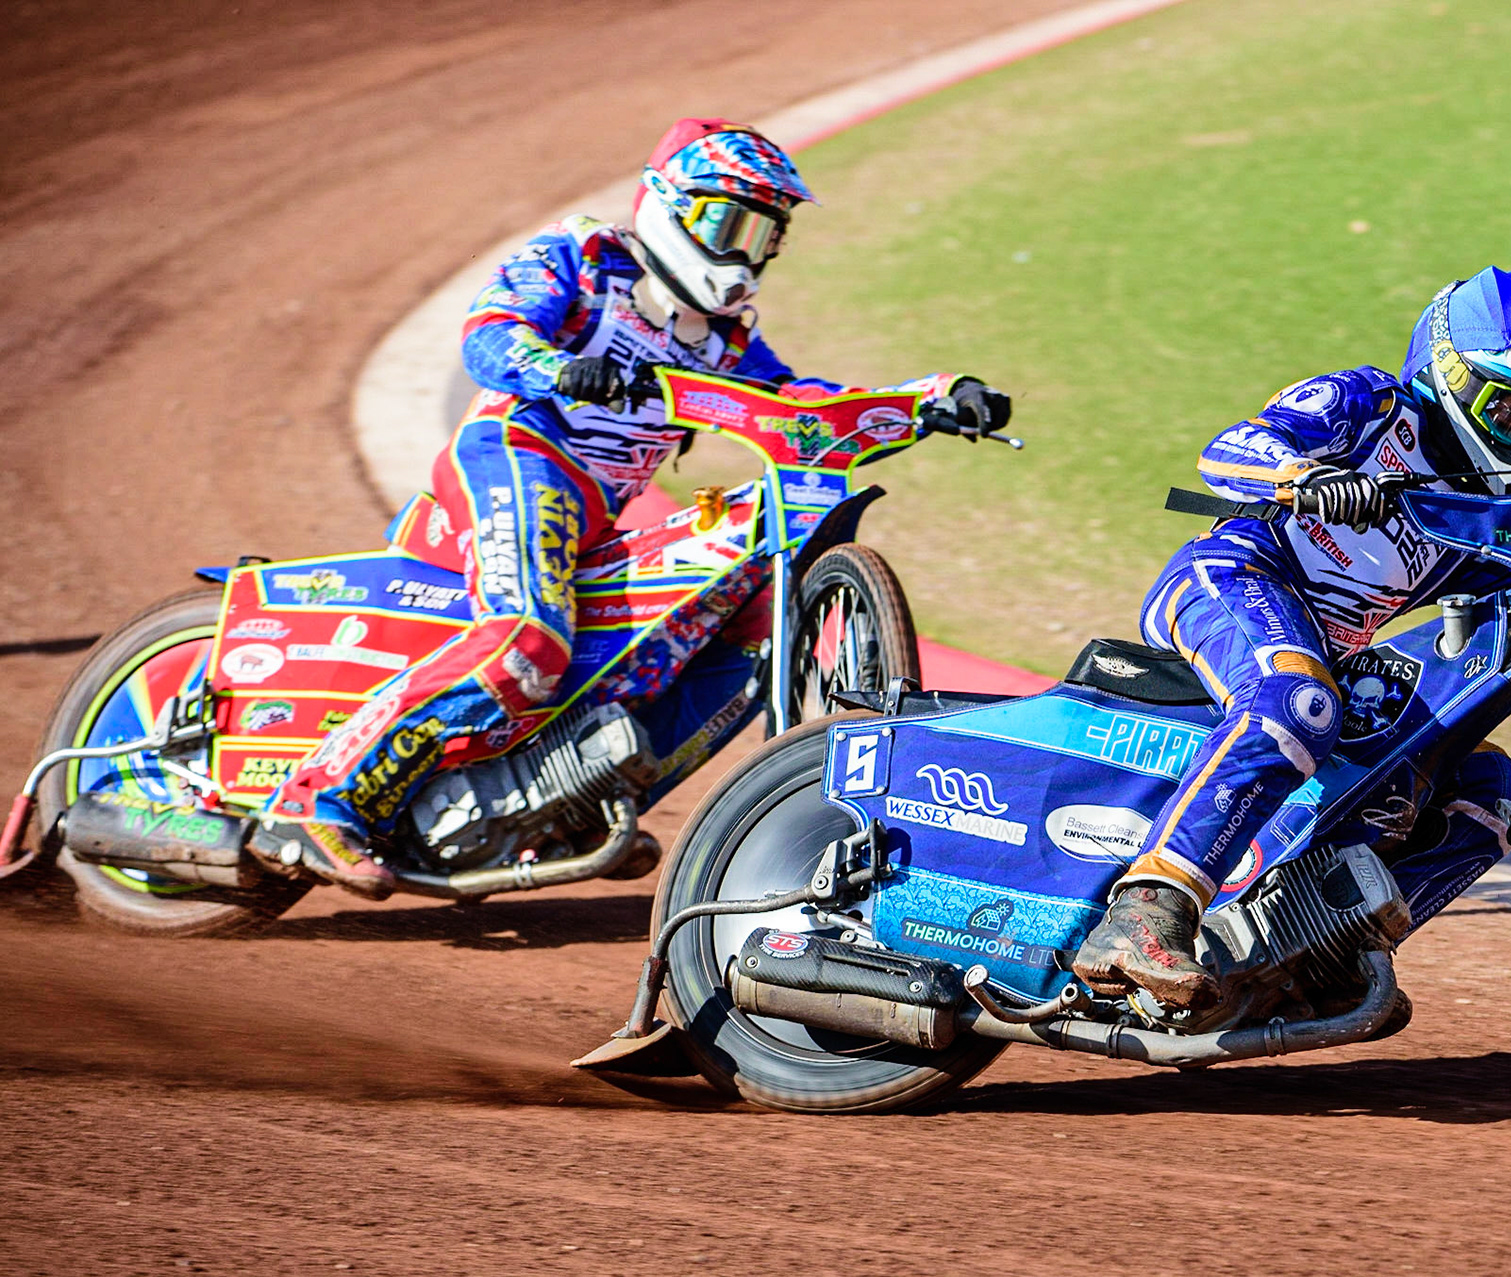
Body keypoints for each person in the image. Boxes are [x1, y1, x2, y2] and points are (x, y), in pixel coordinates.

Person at [252, 117, 1011, 896]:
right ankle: (320, 795)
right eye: (731, 225)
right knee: (528, 641)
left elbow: (802, 408)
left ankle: (569, 799)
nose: (747, 253)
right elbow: (490, 333)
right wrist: (555, 368)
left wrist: (930, 400)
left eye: (765, 235)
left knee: (733, 642)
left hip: (596, 515)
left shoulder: (724, 341)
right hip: (520, 458)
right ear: (669, 206)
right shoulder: (583, 259)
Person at [1072, 266, 1511, 1009]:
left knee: (1486, 785)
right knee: (1299, 699)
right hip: (1232, 577)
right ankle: (1146, 910)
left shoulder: (1486, 511)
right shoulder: (1370, 402)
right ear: (1453, 378)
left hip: (1332, 655)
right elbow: (1230, 448)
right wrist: (1304, 477)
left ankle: (1319, 955)